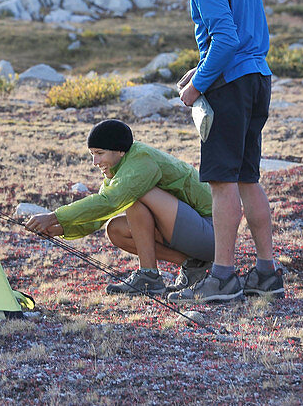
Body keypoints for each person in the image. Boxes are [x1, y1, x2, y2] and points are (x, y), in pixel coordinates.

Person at [140, 0, 284, 303]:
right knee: (247, 178)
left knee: (222, 184)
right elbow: (240, 34)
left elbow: (225, 40)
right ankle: (267, 273)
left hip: (230, 87)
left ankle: (221, 277)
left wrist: (196, 86)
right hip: (257, 79)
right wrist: (199, 69)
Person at [24, 119, 216, 296]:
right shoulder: (122, 169)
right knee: (116, 230)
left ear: (120, 151)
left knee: (135, 197)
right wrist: (60, 229)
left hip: (214, 235)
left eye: (100, 154)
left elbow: (109, 201)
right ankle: (192, 265)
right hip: (194, 234)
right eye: (92, 154)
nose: (95, 162)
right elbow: (100, 213)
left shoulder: (141, 161)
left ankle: (148, 276)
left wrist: (53, 216)